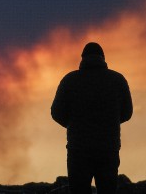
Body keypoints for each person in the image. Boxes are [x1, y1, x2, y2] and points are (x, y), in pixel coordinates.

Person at [51, 42, 133, 194]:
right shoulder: (117, 80)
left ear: (82, 58)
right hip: (108, 148)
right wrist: (110, 122)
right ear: (103, 58)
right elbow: (128, 113)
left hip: (78, 149)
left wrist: (72, 125)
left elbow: (56, 113)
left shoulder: (70, 80)